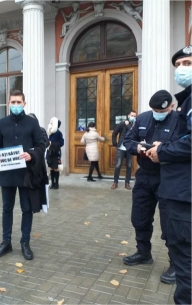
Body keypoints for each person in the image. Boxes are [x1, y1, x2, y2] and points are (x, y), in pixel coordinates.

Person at [146, 46, 191, 304]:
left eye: (187, 62)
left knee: (185, 264)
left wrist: (163, 151)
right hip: (173, 188)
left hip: (183, 193)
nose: (181, 68)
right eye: (178, 64)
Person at [123, 90, 178, 285]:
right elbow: (126, 141)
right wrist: (137, 147)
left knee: (170, 223)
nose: (157, 113)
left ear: (171, 107)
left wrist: (162, 148)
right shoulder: (143, 118)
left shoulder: (178, 120)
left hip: (167, 178)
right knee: (139, 216)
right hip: (144, 176)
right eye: (154, 110)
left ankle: (176, 265)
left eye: (161, 110)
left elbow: (183, 147)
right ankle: (143, 252)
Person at [0, 90, 45, 260]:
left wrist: (32, 154)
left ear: (24, 104)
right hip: (6, 173)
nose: (15, 105)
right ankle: (6, 242)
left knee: (26, 208)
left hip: (25, 174)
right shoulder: (2, 123)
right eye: (12, 102)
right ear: (8, 103)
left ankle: (25, 242)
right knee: (7, 208)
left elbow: (41, 144)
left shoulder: (32, 123)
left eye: (18, 102)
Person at [111, 110, 137, 190]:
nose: (133, 117)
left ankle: (127, 183)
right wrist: (115, 143)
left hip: (130, 148)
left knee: (129, 166)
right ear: (128, 116)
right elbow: (114, 133)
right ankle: (115, 182)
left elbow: (134, 133)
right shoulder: (122, 123)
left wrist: (129, 125)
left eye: (135, 116)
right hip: (121, 148)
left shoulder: (134, 125)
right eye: (132, 115)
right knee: (118, 165)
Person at [46, 117, 64, 189]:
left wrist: (52, 143)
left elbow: (61, 143)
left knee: (56, 168)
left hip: (56, 153)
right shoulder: (51, 132)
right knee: (51, 168)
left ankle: (56, 183)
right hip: (50, 152)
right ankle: (52, 183)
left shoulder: (59, 133)